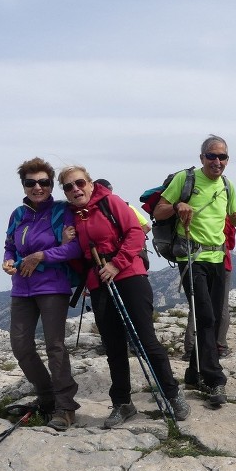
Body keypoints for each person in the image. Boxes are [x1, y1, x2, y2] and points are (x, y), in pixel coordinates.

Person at [58, 166, 190, 425]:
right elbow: (78, 259)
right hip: (99, 283)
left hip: (129, 275)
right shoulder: (71, 217)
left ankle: (172, 394)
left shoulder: (110, 202)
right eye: (68, 187)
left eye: (79, 183)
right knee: (114, 346)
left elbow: (135, 232)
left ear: (90, 184)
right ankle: (122, 403)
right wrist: (65, 245)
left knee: (146, 339)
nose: (75, 189)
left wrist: (116, 263)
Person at [152, 136, 236, 408]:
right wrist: (178, 205)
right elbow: (160, 210)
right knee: (206, 315)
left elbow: (233, 217)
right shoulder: (185, 179)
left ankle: (193, 373)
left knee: (209, 317)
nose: (217, 162)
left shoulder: (227, 185)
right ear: (202, 157)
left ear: (227, 160)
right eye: (212, 156)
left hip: (217, 256)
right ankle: (214, 380)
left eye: (222, 157)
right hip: (191, 256)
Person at [2, 157, 83, 431]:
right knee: (20, 346)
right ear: (24, 186)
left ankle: (65, 407)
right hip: (22, 288)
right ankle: (47, 395)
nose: (38, 187)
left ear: (51, 185)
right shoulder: (18, 214)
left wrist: (40, 256)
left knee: (55, 347)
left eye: (44, 182)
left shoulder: (62, 212)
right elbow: (10, 244)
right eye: (31, 183)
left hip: (52, 286)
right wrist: (8, 260)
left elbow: (74, 249)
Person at [184, 216, 236, 358]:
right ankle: (219, 345)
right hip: (222, 263)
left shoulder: (197, 213)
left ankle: (191, 347)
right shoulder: (225, 218)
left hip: (196, 261)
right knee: (221, 305)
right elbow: (230, 243)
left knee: (196, 304)